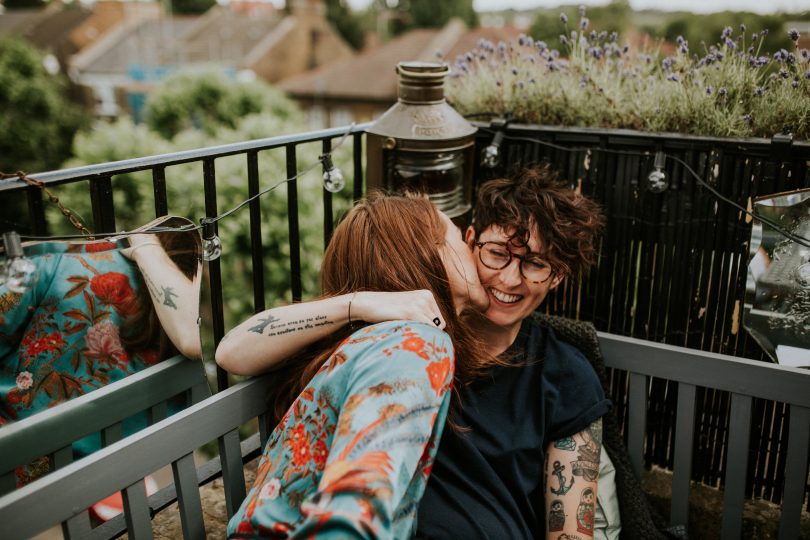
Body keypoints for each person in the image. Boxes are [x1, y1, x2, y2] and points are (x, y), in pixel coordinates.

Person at [215, 165, 619, 539]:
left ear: (557, 277)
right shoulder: (404, 345)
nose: (510, 278)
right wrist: (356, 303)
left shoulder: (564, 374)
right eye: (497, 253)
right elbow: (233, 352)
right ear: (470, 243)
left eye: (535, 264)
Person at [216, 193, 505, 538]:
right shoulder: (413, 344)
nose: (469, 251)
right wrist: (357, 302)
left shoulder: (381, 341)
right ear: (432, 252)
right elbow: (353, 512)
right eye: (457, 236)